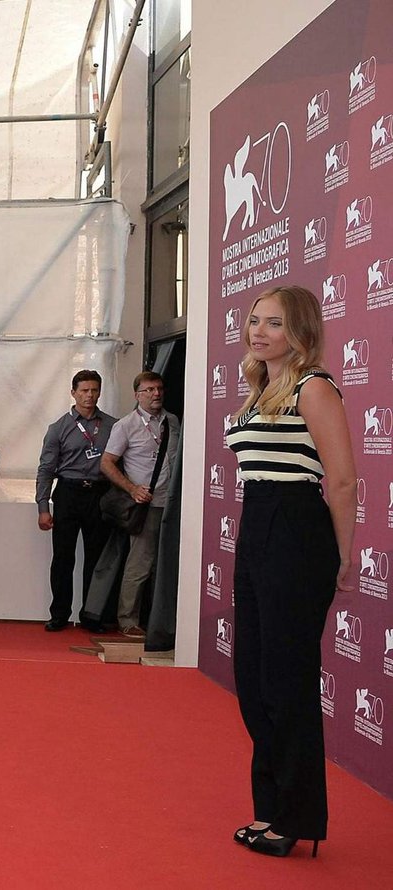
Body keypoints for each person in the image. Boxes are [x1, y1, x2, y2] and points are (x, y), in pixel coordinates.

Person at [225, 286, 351, 859]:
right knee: (254, 679)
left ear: (299, 330)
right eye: (255, 320)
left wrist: (344, 555)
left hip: (297, 530)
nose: (259, 331)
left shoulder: (313, 386)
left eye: (274, 323)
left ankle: (295, 817)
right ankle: (272, 806)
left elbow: (341, 479)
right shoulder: (260, 390)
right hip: (257, 523)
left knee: (286, 680)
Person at [95, 372, 179, 638]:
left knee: (166, 564)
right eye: (149, 390)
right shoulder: (126, 425)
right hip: (146, 505)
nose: (156, 394)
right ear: (137, 395)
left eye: (159, 388)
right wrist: (132, 489)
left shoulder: (172, 421)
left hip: (173, 503)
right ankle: (128, 619)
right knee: (140, 563)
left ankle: (161, 619)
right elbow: (106, 463)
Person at [36, 370, 117, 631]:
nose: (89, 395)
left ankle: (91, 615)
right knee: (63, 558)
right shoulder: (58, 428)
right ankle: (59, 614)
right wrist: (43, 507)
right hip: (68, 494)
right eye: (84, 390)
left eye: (94, 390)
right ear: (73, 393)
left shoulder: (112, 426)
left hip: (99, 494)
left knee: (96, 559)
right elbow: (46, 470)